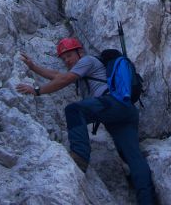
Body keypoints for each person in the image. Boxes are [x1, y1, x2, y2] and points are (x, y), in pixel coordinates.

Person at [16, 37, 156, 205]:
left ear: (80, 52)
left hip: (111, 104)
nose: (66, 61)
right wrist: (33, 67)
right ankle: (147, 200)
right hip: (125, 111)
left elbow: (64, 79)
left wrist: (37, 90)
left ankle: (79, 158)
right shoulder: (84, 70)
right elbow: (57, 75)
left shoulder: (88, 60)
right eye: (64, 58)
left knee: (74, 110)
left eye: (69, 56)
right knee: (133, 157)